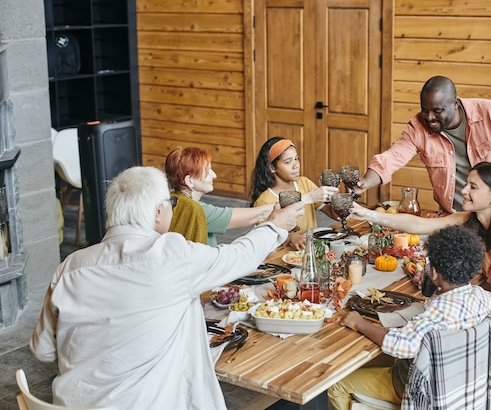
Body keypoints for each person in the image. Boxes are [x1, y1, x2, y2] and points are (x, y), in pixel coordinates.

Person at [30, 166, 303, 410]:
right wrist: (275, 227)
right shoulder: (172, 255)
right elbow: (237, 257)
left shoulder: (70, 267)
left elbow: (43, 351)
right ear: (159, 212)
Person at [350, 162, 491, 367]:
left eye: (473, 187)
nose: (463, 191)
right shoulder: (473, 220)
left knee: (434, 328)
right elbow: (419, 225)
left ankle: (420, 377)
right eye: (467, 185)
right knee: (425, 319)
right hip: (489, 306)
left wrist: (471, 306)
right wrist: (368, 214)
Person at [327, 225, 491, 409]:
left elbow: (402, 346)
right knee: (366, 361)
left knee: (335, 384)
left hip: (425, 389)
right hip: (462, 382)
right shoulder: (483, 297)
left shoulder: (437, 315)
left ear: (435, 272)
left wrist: (359, 323)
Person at [354, 75, 491, 215]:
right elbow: (393, 157)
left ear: (454, 104)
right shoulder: (418, 126)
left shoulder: (488, 111)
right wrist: (364, 183)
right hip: (453, 215)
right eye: (425, 110)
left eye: (437, 111)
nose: (430, 118)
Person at [165, 146, 274, 246]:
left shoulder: (173, 201)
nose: (214, 175)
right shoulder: (196, 211)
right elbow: (257, 215)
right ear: (189, 181)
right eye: (207, 172)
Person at [250, 136, 339, 250]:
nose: (296, 165)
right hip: (283, 254)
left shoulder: (304, 183)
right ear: (272, 167)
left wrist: (340, 200)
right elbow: (266, 236)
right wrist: (290, 236)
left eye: (296, 159)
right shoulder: (264, 200)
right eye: (288, 162)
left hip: (310, 248)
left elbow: (334, 214)